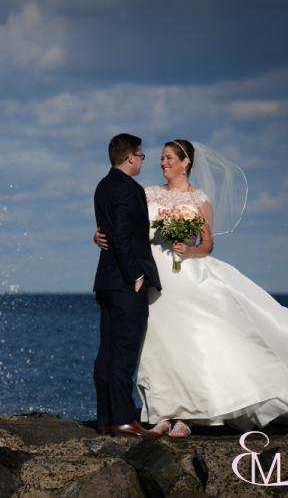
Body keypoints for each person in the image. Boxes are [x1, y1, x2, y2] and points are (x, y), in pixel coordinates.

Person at [94, 139, 288, 437]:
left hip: (185, 276)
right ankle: (165, 411)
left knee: (193, 342)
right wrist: (99, 236)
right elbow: (125, 226)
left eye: (170, 158)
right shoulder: (147, 194)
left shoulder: (199, 199)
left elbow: (207, 244)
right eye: (161, 158)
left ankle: (192, 415)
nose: (163, 163)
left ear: (186, 163)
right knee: (159, 346)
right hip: (153, 277)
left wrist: (188, 250)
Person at [92, 133, 162, 438]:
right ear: (131, 157)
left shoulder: (102, 185)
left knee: (107, 351)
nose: (142, 161)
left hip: (106, 281)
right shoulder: (130, 189)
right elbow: (120, 234)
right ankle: (123, 420)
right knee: (124, 353)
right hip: (124, 283)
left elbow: (107, 231)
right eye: (142, 156)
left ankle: (106, 419)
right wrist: (135, 274)